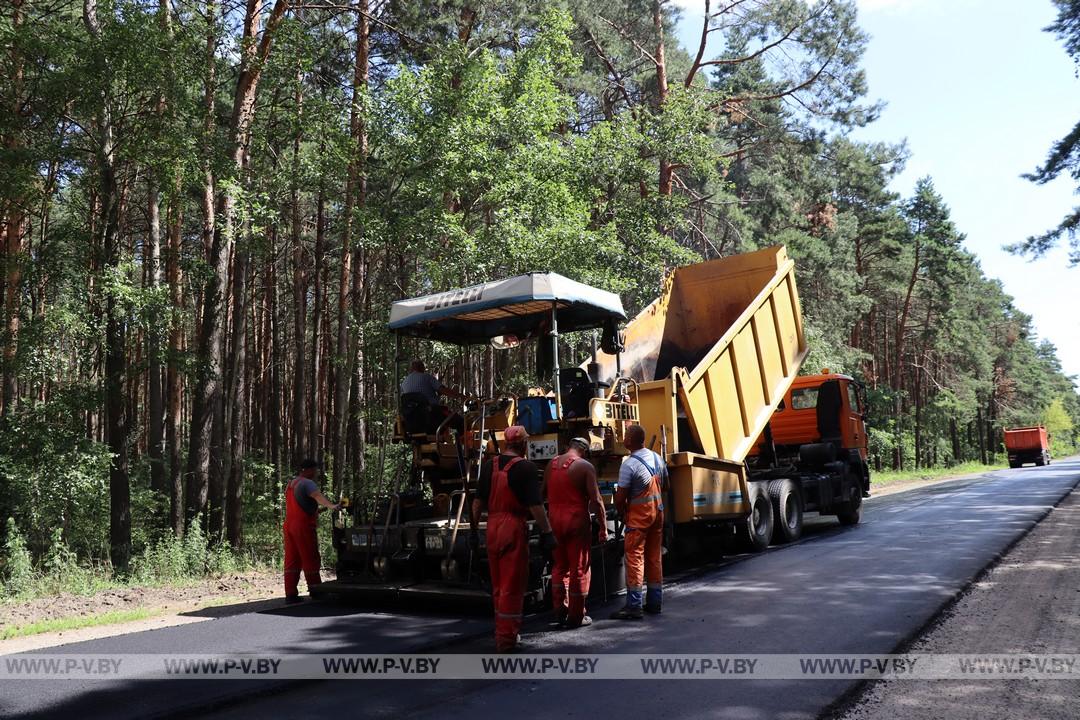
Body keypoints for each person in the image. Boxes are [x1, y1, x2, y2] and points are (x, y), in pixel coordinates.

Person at [471, 425, 557, 652]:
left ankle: (502, 631)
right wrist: (547, 532)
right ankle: (507, 640)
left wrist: (472, 531)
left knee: (498, 585)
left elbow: (478, 502)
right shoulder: (526, 468)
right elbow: (535, 506)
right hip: (512, 528)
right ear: (523, 444)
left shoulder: (490, 465)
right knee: (512, 586)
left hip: (492, 529)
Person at [543, 437, 607, 628]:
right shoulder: (585, 466)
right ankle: (576, 616)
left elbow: (541, 493)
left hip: (554, 521)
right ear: (585, 451)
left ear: (567, 447)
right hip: (576, 522)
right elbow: (596, 501)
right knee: (579, 568)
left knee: (559, 567)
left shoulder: (551, 464)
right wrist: (603, 528)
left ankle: (560, 610)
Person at [611, 424, 667, 619]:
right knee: (654, 557)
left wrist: (622, 513)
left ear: (630, 440)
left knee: (635, 558)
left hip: (639, 518)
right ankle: (655, 602)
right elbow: (665, 485)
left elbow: (620, 498)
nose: (623, 438)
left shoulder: (629, 465)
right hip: (658, 515)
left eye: (626, 435)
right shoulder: (657, 458)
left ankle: (634, 606)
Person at [283, 459, 341, 604]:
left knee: (292, 559)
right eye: (314, 469)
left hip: (289, 525)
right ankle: (316, 591)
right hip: (303, 526)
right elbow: (317, 496)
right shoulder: (308, 483)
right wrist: (332, 506)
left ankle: (290, 594)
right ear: (307, 470)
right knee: (310, 557)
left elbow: (302, 504)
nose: (316, 473)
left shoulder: (291, 484)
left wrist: (318, 510)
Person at [399, 359, 470, 434]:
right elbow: (443, 390)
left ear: (411, 369)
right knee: (461, 422)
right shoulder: (426, 377)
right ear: (422, 368)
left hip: (413, 420)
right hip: (433, 414)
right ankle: (464, 444)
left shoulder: (404, 382)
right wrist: (461, 396)